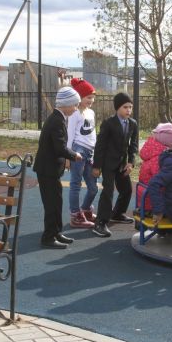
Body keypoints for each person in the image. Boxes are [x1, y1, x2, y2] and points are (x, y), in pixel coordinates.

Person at [33, 87, 83, 249]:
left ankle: (56, 232)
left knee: (57, 202)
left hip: (51, 170)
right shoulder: (56, 121)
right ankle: (48, 237)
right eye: (74, 105)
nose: (76, 108)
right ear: (66, 104)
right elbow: (59, 148)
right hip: (47, 170)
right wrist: (74, 155)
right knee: (51, 204)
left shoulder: (58, 118)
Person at [92, 92, 138, 237]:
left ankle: (117, 213)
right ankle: (100, 222)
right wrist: (96, 166)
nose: (128, 110)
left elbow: (134, 145)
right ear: (118, 108)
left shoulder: (133, 124)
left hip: (122, 164)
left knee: (127, 190)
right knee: (108, 191)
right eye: (125, 107)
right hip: (107, 163)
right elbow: (100, 145)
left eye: (130, 107)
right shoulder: (109, 123)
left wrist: (130, 162)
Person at [66, 78, 99, 229]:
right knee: (75, 184)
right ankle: (75, 215)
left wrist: (96, 151)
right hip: (78, 150)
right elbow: (70, 134)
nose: (91, 100)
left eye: (92, 97)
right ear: (79, 97)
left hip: (90, 152)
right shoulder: (74, 114)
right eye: (88, 97)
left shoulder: (91, 112)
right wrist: (68, 155)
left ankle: (85, 210)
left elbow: (93, 134)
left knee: (93, 187)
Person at [137, 122, 172, 213]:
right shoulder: (159, 158)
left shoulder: (152, 152)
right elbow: (161, 179)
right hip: (153, 202)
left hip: (145, 196)